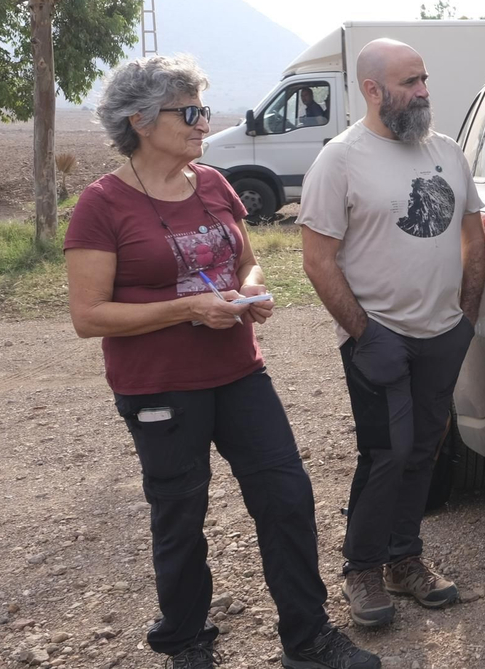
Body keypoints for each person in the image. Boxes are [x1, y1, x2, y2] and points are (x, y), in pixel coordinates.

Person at [65, 56, 378, 669]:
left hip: (239, 373)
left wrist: (252, 292)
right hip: (159, 387)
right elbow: (89, 315)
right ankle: (185, 642)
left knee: (287, 497)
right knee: (180, 515)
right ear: (140, 121)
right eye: (189, 112)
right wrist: (188, 308)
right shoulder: (102, 204)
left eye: (203, 110)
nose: (203, 122)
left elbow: (246, 262)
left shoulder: (212, 183)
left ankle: (309, 639)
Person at [299, 38, 485, 628]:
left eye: (424, 79)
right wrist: (363, 333)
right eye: (410, 82)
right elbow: (317, 260)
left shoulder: (447, 152)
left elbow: (473, 236)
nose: (424, 91)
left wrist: (467, 317)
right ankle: (362, 568)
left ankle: (405, 559)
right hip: (380, 335)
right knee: (387, 451)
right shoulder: (340, 159)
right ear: (373, 90)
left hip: (443, 332)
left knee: (426, 446)